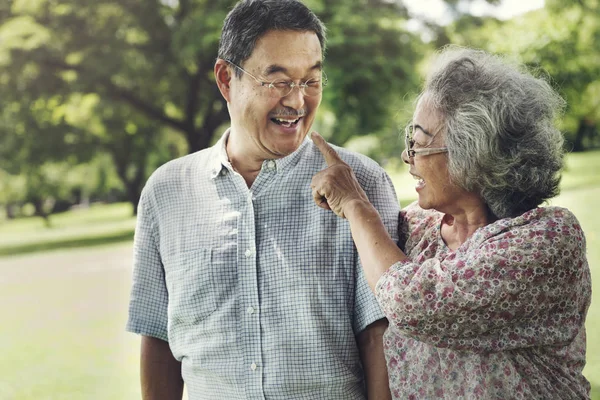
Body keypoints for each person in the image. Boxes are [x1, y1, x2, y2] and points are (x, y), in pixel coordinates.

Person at [126, 0, 399, 399]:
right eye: (278, 80)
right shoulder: (166, 192)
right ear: (225, 79)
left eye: (311, 80)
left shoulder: (363, 184)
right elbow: (158, 339)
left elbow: (380, 338)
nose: (297, 101)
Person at [311, 46, 592, 399]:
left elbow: (411, 303)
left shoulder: (547, 242)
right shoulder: (419, 226)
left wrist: (355, 204)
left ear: (472, 154)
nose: (407, 157)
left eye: (417, 143)